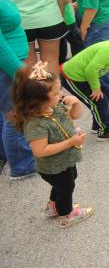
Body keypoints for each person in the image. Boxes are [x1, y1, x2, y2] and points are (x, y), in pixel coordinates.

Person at [11, 62, 93, 228]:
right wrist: (71, 141)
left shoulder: (54, 108)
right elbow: (40, 151)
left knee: (68, 180)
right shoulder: (36, 124)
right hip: (52, 166)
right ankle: (66, 214)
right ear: (38, 100)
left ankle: (53, 206)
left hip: (66, 159)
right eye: (56, 92)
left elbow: (74, 116)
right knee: (66, 187)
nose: (61, 94)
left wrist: (76, 103)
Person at [0, 0, 36, 181]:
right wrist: (19, 69)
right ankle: (22, 165)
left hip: (10, 64)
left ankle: (8, 155)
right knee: (15, 114)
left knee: (6, 113)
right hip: (7, 67)